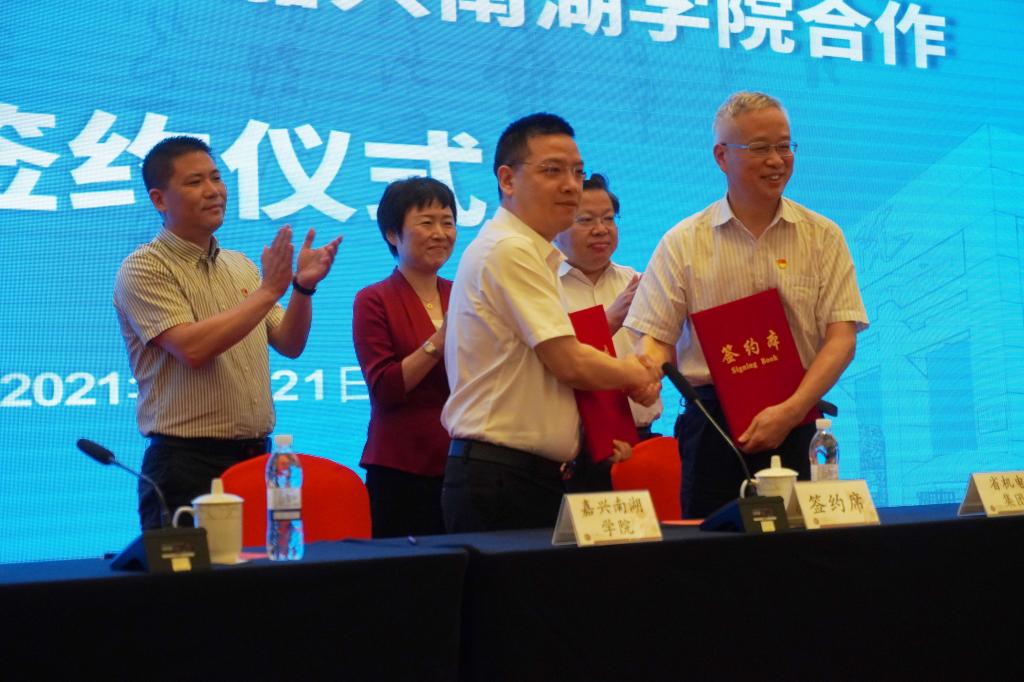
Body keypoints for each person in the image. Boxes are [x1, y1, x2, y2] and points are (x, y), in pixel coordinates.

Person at [625, 92, 869, 518]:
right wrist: (646, 374)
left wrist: (791, 411)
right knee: (713, 549)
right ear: (722, 156)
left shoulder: (823, 236)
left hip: (799, 422)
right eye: (759, 148)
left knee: (803, 547)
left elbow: (841, 338)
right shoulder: (683, 242)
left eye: (784, 146)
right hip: (713, 427)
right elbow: (657, 338)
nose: (777, 160)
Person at [441, 113, 661, 533]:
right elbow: (569, 362)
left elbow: (550, 372)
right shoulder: (509, 249)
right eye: (552, 171)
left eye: (577, 171)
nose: (571, 185)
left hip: (528, 475)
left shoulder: (532, 253)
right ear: (507, 179)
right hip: (501, 478)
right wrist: (636, 372)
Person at [114, 136, 341, 530]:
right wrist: (270, 290)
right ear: (159, 199)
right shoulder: (144, 268)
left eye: (216, 178)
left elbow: (289, 343)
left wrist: (302, 288)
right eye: (195, 182)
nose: (213, 190)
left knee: (263, 569)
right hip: (187, 464)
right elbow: (192, 348)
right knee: (195, 572)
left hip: (259, 461)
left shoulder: (241, 266)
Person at [353, 177, 457, 538]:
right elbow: (385, 387)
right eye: (426, 222)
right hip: (400, 469)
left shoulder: (465, 294)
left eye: (447, 222)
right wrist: (439, 341)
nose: (440, 233)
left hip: (462, 466)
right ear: (392, 234)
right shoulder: (373, 299)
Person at [554, 173, 664, 492]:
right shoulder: (543, 287)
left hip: (639, 444)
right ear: (556, 227)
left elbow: (659, 349)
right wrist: (606, 322)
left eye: (608, 218)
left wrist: (652, 381)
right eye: (586, 220)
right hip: (571, 452)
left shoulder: (640, 283)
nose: (601, 229)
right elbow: (549, 361)